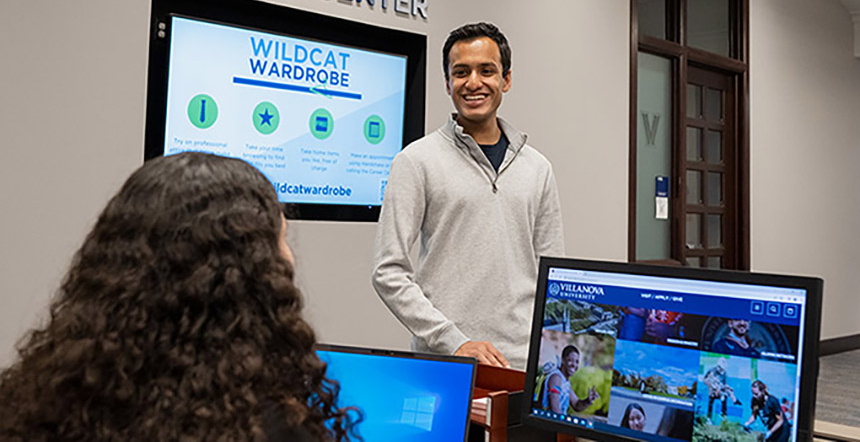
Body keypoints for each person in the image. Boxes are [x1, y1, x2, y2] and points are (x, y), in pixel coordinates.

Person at [0, 153, 357, 441]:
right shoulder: (270, 427)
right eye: (283, 236)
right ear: (253, 270)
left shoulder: (32, 403)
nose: (289, 254)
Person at [372, 22, 564, 370]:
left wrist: (551, 354)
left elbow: (552, 276)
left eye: (486, 70)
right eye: (461, 72)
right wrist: (453, 340)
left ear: (506, 80)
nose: (473, 82)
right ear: (448, 83)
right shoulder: (415, 161)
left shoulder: (538, 168)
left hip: (521, 365)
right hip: (446, 363)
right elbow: (388, 272)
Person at [541, 345, 599, 415]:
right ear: (563, 360)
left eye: (577, 362)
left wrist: (588, 401)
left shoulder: (566, 382)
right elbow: (555, 409)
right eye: (570, 360)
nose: (574, 365)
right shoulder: (556, 378)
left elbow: (576, 405)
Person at [702, 358, 740, 422]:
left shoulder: (724, 373)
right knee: (711, 402)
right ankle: (708, 418)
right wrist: (711, 387)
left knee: (724, 397)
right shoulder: (712, 371)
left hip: (720, 390)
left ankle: (723, 415)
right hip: (712, 390)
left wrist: (728, 387)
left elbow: (724, 384)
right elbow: (705, 380)